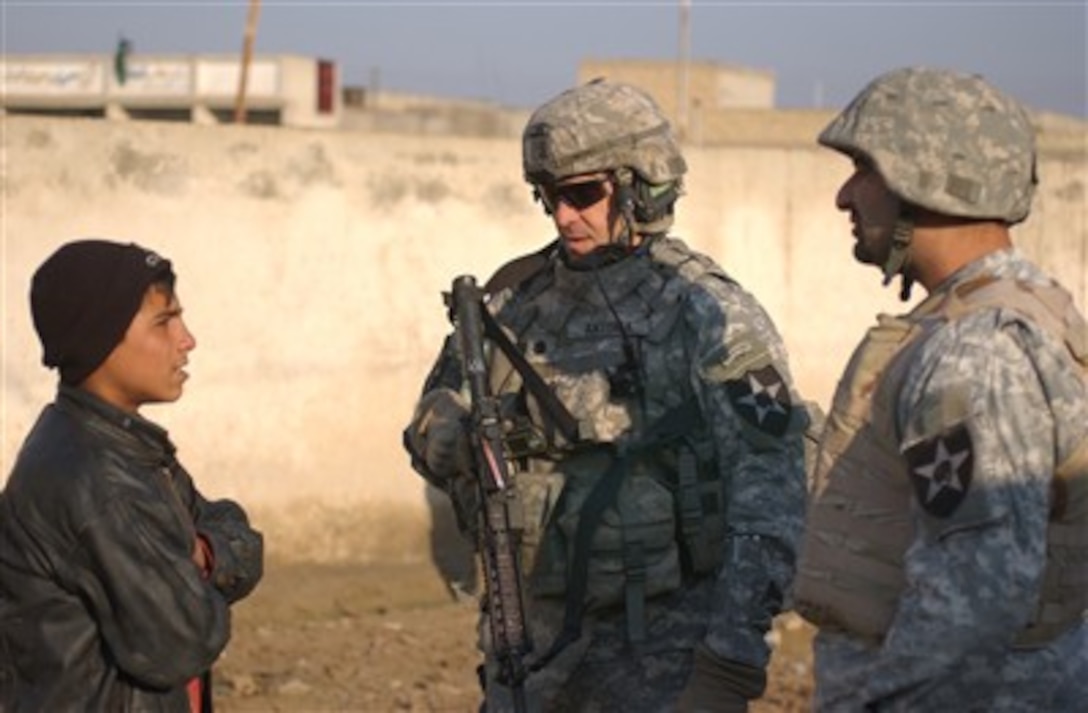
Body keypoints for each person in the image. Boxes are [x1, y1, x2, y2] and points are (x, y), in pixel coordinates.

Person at [403, 79, 809, 712]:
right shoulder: (512, 304)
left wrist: (730, 663)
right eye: (549, 196)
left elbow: (772, 491)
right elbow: (430, 424)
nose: (564, 215)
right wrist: (449, 434)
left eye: (583, 194)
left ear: (641, 183)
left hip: (665, 653)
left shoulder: (705, 312)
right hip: (532, 649)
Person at [793, 66, 1088, 711]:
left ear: (921, 181)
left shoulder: (972, 354)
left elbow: (972, 602)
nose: (847, 197)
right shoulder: (1005, 314)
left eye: (865, 171)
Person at [0, 239, 264, 711]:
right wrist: (195, 563)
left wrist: (199, 555)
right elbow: (183, 640)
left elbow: (238, 535)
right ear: (98, 339)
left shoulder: (125, 447)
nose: (187, 340)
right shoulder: (96, 479)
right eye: (164, 323)